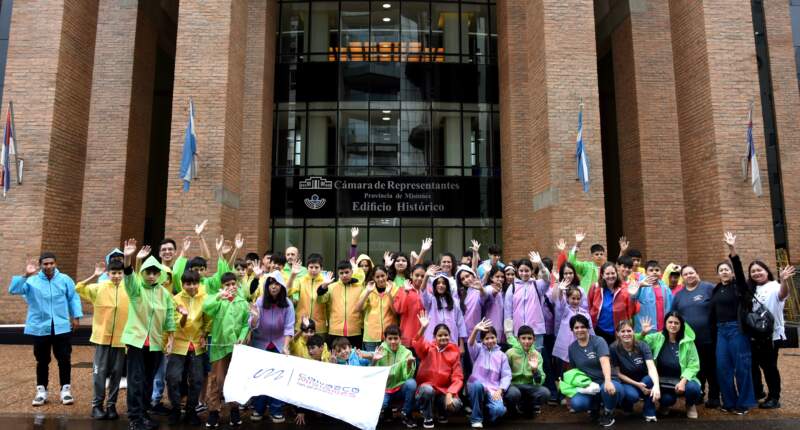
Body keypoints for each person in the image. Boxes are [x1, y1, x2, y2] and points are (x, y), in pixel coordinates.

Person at [8, 253, 83, 407]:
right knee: (42, 360)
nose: (49, 266)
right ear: (40, 265)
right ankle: (41, 392)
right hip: (40, 327)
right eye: (45, 264)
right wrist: (25, 275)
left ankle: (65, 391)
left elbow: (73, 298)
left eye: (51, 263)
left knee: (64, 359)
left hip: (61, 326)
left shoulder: (65, 279)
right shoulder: (32, 280)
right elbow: (13, 290)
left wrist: (76, 316)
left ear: (55, 263)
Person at [120, 240, 176, 430]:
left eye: (154, 273)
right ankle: (135, 418)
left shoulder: (164, 293)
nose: (151, 276)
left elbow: (170, 317)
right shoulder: (136, 289)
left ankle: (143, 414)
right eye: (147, 272)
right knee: (135, 380)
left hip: (156, 343)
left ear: (160, 274)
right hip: (136, 342)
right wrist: (128, 258)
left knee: (148, 380)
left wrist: (171, 339)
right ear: (142, 273)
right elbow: (129, 276)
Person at [76, 260, 129, 420]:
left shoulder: (128, 288)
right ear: (108, 274)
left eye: (119, 273)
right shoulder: (99, 287)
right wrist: (94, 275)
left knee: (117, 374)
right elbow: (79, 288)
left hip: (121, 339)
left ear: (123, 274)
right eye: (113, 273)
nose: (116, 276)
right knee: (99, 373)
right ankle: (97, 406)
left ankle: (111, 405)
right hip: (102, 339)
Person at [712, 232, 755, 414]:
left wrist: (732, 249)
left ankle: (744, 403)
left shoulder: (739, 286)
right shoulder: (716, 289)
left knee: (742, 367)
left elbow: (738, 269)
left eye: (726, 269)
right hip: (721, 332)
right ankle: (729, 402)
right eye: (721, 270)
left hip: (737, 329)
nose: (724, 272)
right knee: (723, 367)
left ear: (731, 272)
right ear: (718, 274)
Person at [203, 271, 251, 428]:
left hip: (236, 348)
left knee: (234, 379)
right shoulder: (219, 301)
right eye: (227, 284)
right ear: (222, 286)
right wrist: (219, 296)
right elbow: (206, 307)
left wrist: (242, 336)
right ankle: (213, 412)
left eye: (233, 284)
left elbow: (246, 323)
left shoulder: (243, 303)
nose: (231, 287)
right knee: (216, 380)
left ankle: (234, 410)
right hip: (219, 347)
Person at [249, 271, 294, 423]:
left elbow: (289, 327)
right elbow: (252, 325)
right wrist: (255, 317)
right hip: (260, 344)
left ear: (281, 286)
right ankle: (258, 408)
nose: (273, 287)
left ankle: (276, 410)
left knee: (278, 378)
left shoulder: (288, 304)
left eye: (276, 284)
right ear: (266, 286)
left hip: (279, 344)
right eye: (270, 284)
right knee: (260, 377)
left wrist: (286, 346)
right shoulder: (260, 302)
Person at [165, 270, 209, 426]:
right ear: (182, 284)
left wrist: (204, 334)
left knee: (197, 379)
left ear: (199, 283)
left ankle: (191, 411)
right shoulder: (175, 299)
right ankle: (176, 409)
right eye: (188, 283)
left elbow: (208, 320)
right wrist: (184, 315)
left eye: (195, 283)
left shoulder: (205, 298)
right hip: (179, 344)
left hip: (197, 344)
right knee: (173, 378)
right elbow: (177, 324)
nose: (192, 286)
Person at [639, 313, 702, 419]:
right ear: (665, 323)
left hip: (682, 380)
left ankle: (690, 405)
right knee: (666, 399)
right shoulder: (657, 337)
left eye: (676, 323)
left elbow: (694, 365)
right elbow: (638, 344)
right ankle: (665, 404)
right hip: (663, 381)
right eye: (670, 322)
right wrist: (643, 333)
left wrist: (683, 382)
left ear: (681, 325)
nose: (673, 325)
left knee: (693, 388)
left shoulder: (688, 342)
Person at [748, 261, 793, 409]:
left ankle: (774, 397)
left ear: (767, 271)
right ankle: (757, 391)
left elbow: (783, 294)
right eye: (753, 271)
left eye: (759, 270)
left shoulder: (775, 286)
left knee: (769, 367)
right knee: (753, 365)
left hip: (771, 335)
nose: (756, 273)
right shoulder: (751, 289)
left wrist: (784, 280)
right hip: (754, 335)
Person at [673, 265, 719, 408]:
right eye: (686, 274)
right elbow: (674, 316)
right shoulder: (679, 295)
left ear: (697, 273)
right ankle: (698, 394)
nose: (689, 276)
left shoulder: (708, 288)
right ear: (682, 277)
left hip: (709, 337)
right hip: (689, 341)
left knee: (711, 368)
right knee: (696, 369)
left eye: (691, 273)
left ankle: (714, 397)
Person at [566, 314, 621, 428]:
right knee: (577, 403)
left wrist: (608, 381)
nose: (580, 330)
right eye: (576, 327)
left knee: (607, 389)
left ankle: (608, 412)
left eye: (582, 327)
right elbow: (574, 370)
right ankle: (594, 407)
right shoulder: (572, 348)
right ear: (572, 330)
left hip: (607, 379)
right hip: (589, 385)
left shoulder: (598, 341)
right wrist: (571, 390)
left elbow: (605, 362)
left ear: (588, 328)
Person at [413, 312, 464, 429]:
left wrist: (450, 393)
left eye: (446, 335)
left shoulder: (454, 352)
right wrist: (423, 328)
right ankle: (428, 417)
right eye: (440, 335)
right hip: (426, 389)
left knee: (456, 404)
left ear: (450, 336)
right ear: (434, 337)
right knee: (427, 391)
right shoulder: (428, 348)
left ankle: (442, 412)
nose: (443, 337)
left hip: (443, 390)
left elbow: (458, 377)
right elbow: (417, 343)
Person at [609, 320, 660, 422]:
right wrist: (637, 385)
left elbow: (651, 367)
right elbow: (618, 373)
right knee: (633, 396)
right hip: (626, 381)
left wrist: (656, 386)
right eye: (623, 331)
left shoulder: (642, 345)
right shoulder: (613, 348)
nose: (626, 334)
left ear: (634, 331)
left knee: (650, 379)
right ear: (617, 333)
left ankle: (649, 410)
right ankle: (626, 405)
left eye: (629, 330)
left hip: (643, 379)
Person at [465, 319, 510, 428]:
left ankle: (481, 411)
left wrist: (500, 390)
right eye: (487, 338)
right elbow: (470, 343)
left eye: (492, 337)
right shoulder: (478, 350)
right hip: (477, 387)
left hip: (493, 389)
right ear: (482, 340)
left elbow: (506, 375)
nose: (490, 340)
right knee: (477, 385)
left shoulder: (502, 356)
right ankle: (476, 419)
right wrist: (475, 330)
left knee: (499, 410)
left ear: (496, 338)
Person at [372, 325, 417, 428]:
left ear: (400, 339)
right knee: (383, 405)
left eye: (395, 338)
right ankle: (386, 411)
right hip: (384, 389)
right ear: (385, 339)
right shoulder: (380, 350)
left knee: (411, 384)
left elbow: (408, 377)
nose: (393, 341)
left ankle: (406, 414)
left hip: (399, 389)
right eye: (390, 338)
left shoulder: (407, 352)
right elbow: (373, 375)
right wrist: (374, 360)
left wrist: (409, 364)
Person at [502, 324, 550, 418]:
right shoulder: (510, 353)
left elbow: (539, 381)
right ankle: (511, 408)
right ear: (518, 339)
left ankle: (527, 406)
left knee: (545, 393)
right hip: (513, 385)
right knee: (513, 394)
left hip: (529, 386)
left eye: (529, 338)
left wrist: (535, 370)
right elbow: (503, 373)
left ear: (534, 339)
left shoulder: (537, 355)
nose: (526, 341)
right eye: (523, 338)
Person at [317, 260, 366, 349]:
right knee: (335, 356)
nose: (344, 275)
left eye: (347, 272)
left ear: (352, 272)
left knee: (354, 356)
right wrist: (324, 286)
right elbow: (321, 300)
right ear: (338, 274)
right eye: (341, 273)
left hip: (355, 331)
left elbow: (364, 307)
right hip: (335, 331)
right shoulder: (331, 287)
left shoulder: (360, 288)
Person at [588, 262, 639, 345]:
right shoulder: (595, 288)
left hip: (619, 332)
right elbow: (589, 307)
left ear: (617, 273)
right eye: (607, 274)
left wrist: (633, 297)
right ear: (602, 275)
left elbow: (633, 311)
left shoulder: (624, 289)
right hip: (599, 331)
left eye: (613, 273)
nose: (610, 276)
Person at [503, 259, 547, 350]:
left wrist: (540, 264)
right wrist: (509, 333)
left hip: (536, 332)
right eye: (521, 271)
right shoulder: (512, 287)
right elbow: (508, 312)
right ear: (517, 271)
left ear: (531, 271)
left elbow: (547, 279)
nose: (524, 273)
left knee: (536, 357)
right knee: (519, 358)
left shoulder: (537, 285)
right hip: (518, 333)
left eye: (527, 271)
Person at [287, 253, 333, 338]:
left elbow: (323, 300)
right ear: (307, 268)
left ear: (321, 268)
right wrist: (292, 275)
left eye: (316, 267)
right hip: (301, 325)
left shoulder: (326, 281)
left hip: (319, 327)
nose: (313, 270)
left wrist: (323, 287)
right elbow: (287, 292)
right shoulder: (301, 280)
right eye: (311, 267)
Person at [357, 265, 399, 351]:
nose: (380, 279)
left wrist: (389, 293)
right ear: (373, 278)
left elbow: (395, 312)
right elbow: (358, 309)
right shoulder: (368, 289)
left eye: (383, 276)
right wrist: (367, 292)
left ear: (387, 275)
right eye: (377, 277)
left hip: (390, 335)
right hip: (371, 336)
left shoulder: (394, 288)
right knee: (372, 359)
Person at [421, 271, 467, 349]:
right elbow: (423, 291)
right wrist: (426, 276)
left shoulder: (454, 302)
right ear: (434, 286)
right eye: (438, 283)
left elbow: (460, 323)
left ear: (447, 286)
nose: (441, 285)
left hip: (451, 341)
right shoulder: (431, 300)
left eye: (443, 283)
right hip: (433, 343)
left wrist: (461, 345)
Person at [629, 261, 673, 333]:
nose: (654, 272)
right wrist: (639, 285)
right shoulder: (641, 286)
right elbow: (631, 298)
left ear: (661, 273)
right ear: (646, 273)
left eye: (657, 270)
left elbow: (670, 306)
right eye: (651, 270)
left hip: (663, 327)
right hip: (645, 328)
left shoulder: (666, 288)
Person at [393, 264, 427, 348]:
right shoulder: (402, 289)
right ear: (411, 275)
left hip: (425, 336)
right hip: (408, 335)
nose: (420, 278)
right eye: (417, 275)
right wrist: (406, 292)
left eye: (422, 276)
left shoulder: (428, 291)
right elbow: (398, 309)